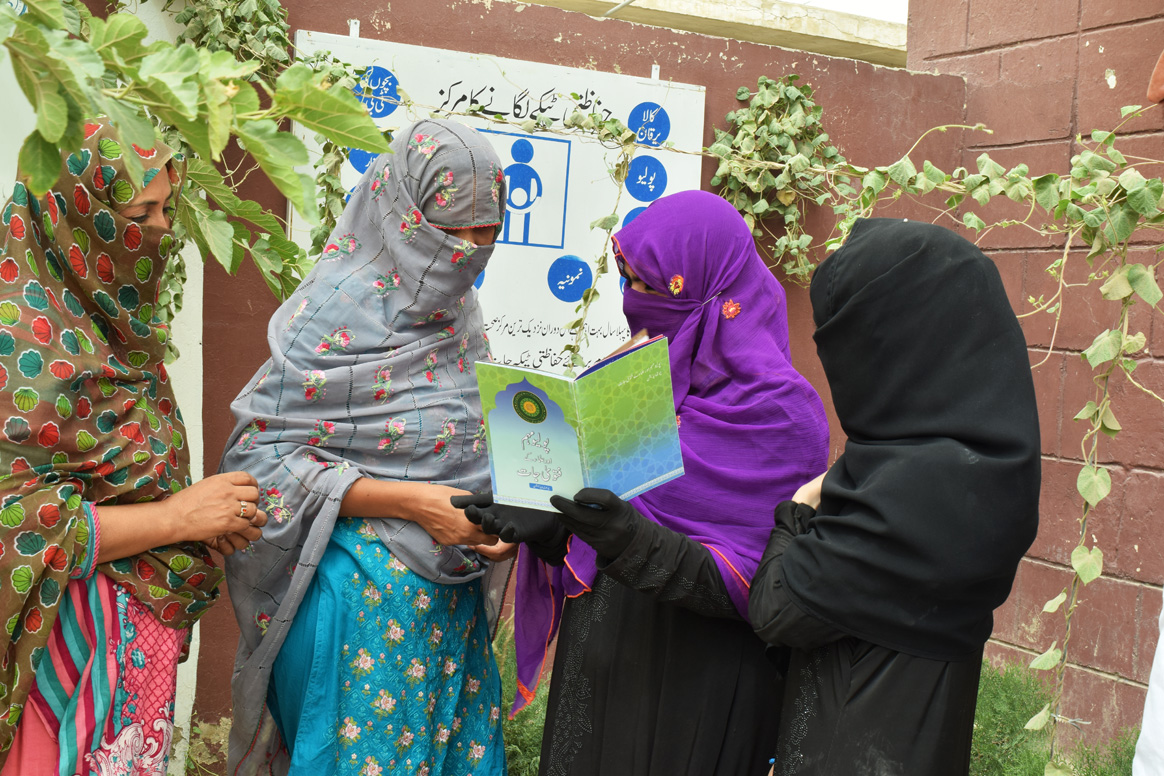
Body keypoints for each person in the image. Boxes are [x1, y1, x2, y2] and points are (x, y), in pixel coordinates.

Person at [458, 189, 830, 776]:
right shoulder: (629, 379)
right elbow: (600, 513)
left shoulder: (783, 417)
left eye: (653, 287)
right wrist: (548, 526)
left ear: (712, 294)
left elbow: (766, 584)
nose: (634, 303)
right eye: (627, 280)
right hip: (604, 657)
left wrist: (626, 539)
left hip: (703, 682)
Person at [219, 119, 511, 776]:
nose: (465, 251)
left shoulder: (459, 320)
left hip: (446, 623)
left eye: (485, 232)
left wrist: (501, 521)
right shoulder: (332, 313)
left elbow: (465, 455)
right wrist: (409, 503)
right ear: (401, 215)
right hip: (354, 618)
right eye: (448, 228)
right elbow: (254, 463)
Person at [0, 119, 267, 776]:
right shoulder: (21, 347)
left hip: (129, 685)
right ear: (74, 218)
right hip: (53, 682)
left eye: (166, 210)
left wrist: (208, 519)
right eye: (138, 214)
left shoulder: (116, 333)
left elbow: (127, 487)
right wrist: (178, 517)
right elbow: (18, 525)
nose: (158, 233)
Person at [747, 218, 1041, 775]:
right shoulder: (997, 465)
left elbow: (777, 609)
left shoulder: (909, 491)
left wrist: (799, 511)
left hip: (846, 747)